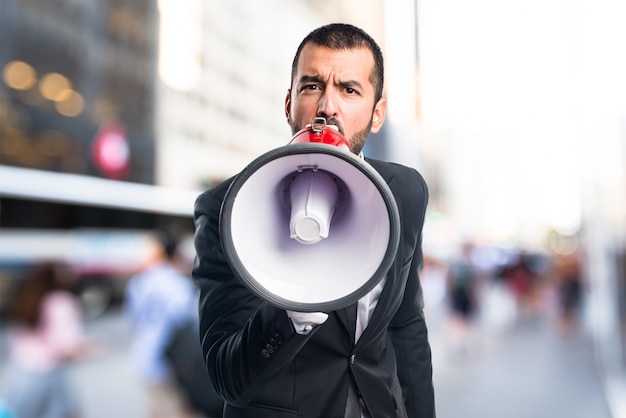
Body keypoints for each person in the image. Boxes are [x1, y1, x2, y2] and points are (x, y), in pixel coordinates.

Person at [192, 23, 435, 417]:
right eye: (311, 86)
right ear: (288, 103)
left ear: (377, 115)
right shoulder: (227, 209)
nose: (327, 106)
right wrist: (291, 310)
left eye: (349, 90)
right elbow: (226, 377)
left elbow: (406, 325)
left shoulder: (405, 193)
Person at [125, 231, 223, 418]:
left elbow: (132, 318)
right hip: (171, 361)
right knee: (179, 410)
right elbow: (188, 322)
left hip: (143, 356)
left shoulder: (137, 282)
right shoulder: (175, 282)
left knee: (158, 407)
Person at [1, 261, 97, 418]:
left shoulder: (26, 297)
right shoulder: (61, 301)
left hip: (21, 372)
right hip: (49, 374)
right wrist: (91, 348)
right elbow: (66, 346)